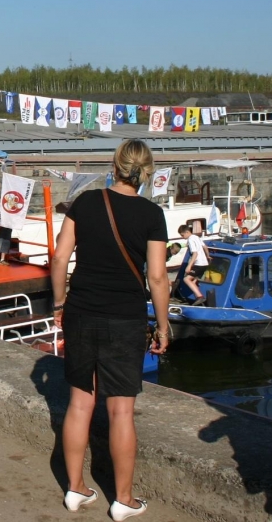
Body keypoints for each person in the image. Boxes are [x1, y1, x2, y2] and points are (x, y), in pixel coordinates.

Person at [50, 138, 170, 521]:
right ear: (146, 172)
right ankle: (122, 499)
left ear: (114, 166)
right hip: (125, 318)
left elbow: (60, 256)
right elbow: (157, 275)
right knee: (121, 412)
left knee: (79, 403)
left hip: (81, 311)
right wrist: (163, 325)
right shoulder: (152, 215)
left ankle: (75, 489)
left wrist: (58, 303)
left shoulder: (85, 202)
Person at [177, 224, 210, 305]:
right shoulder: (196, 237)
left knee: (186, 279)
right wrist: (208, 256)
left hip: (199, 264)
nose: (182, 237)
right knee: (193, 280)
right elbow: (205, 247)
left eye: (182, 235)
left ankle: (200, 297)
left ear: (187, 232)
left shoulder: (190, 240)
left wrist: (189, 266)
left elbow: (195, 254)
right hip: (205, 263)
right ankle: (197, 298)